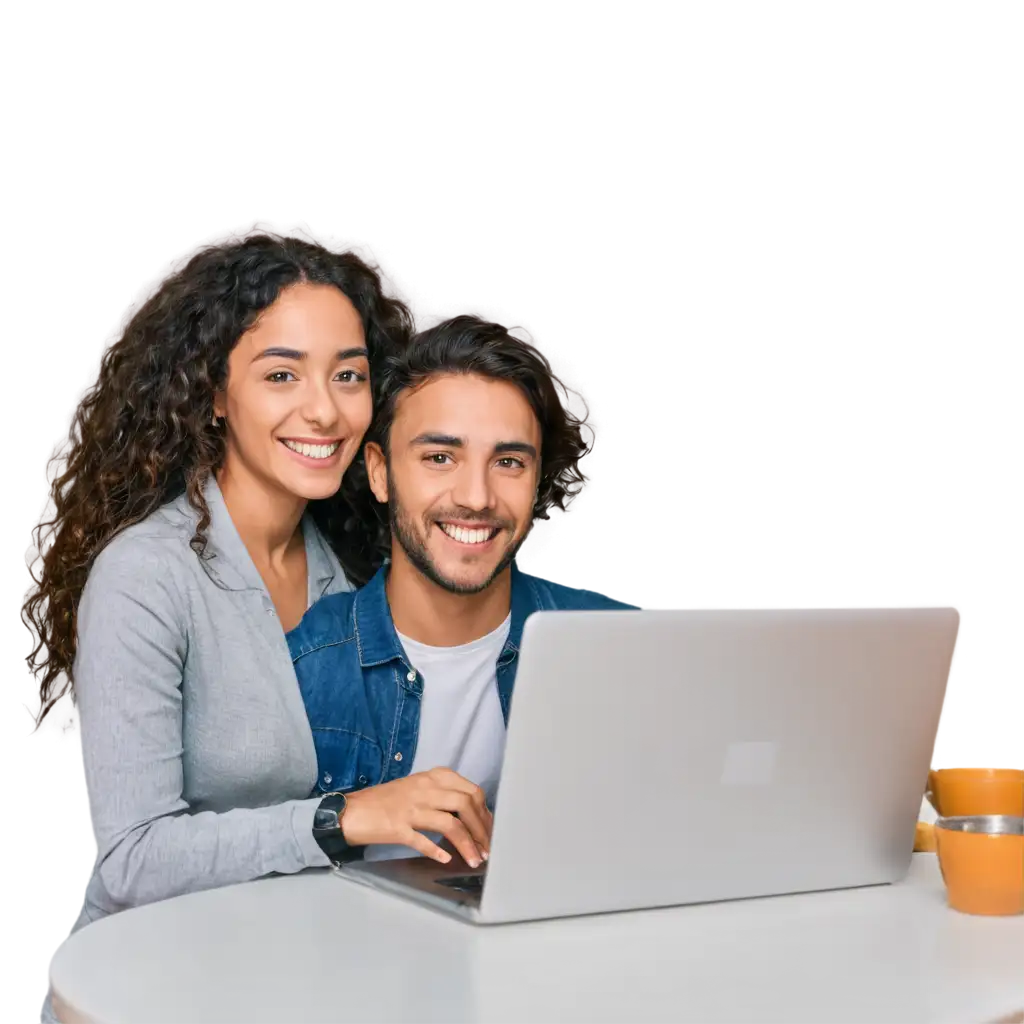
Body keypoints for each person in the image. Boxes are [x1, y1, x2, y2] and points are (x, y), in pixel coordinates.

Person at [25, 234, 410, 933]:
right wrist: (339, 821)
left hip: (286, 959)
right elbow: (134, 860)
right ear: (214, 398)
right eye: (281, 375)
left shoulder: (350, 576)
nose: (325, 411)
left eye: (348, 376)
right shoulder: (146, 578)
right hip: (149, 975)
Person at [285, 315, 636, 870]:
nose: (476, 496)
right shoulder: (300, 666)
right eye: (440, 457)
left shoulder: (620, 647)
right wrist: (343, 815)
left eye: (509, 462)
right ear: (379, 473)